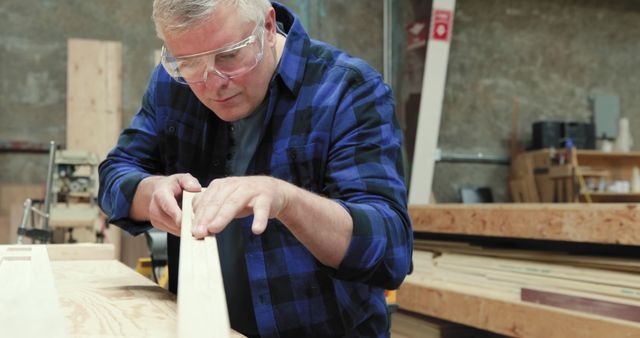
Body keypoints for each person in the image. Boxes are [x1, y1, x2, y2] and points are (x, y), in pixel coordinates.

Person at [98, 0, 413, 336]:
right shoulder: (170, 84)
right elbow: (115, 173)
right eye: (189, 63)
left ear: (267, 25)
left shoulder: (346, 89)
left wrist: (287, 201)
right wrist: (149, 193)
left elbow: (390, 251)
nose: (212, 83)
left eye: (230, 56)